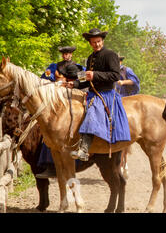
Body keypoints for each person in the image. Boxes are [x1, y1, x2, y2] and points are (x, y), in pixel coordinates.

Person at [66, 28, 131, 161]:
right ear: (90, 43)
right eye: (94, 42)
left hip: (106, 94)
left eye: (99, 41)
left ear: (102, 41)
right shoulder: (90, 58)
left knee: (92, 113)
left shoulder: (110, 54)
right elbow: (86, 79)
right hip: (92, 93)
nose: (97, 44)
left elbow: (115, 75)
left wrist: (95, 74)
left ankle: (84, 150)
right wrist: (75, 84)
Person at [36, 46, 85, 179]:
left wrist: (72, 83)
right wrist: (57, 82)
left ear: (72, 54)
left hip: (75, 97)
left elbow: (84, 81)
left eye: (68, 53)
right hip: (57, 99)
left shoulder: (79, 67)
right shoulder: (53, 67)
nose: (66, 56)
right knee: (49, 129)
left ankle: (81, 155)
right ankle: (48, 164)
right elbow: (44, 80)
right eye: (64, 53)